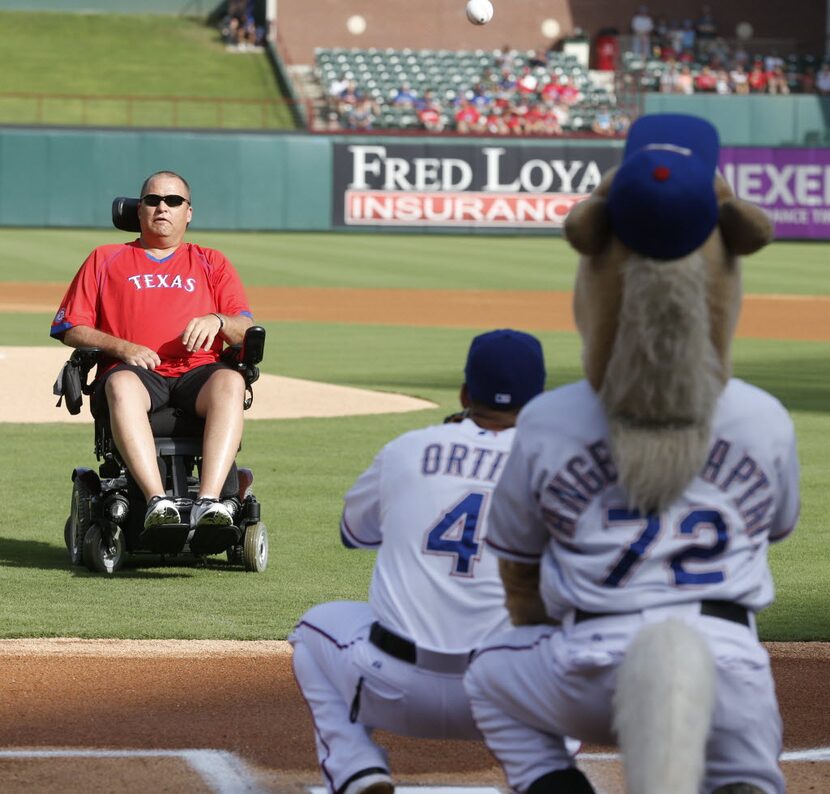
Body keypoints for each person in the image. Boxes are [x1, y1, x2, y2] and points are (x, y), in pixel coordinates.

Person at [463, 114, 798, 794]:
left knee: (491, 674)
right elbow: (779, 525)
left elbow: (518, 564)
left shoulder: (550, 419)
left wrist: (542, 624)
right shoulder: (764, 417)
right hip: (728, 664)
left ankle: (549, 782)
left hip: (588, 668)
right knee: (749, 768)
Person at [289, 330, 548, 794]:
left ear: (466, 393)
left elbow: (355, 533)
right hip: (507, 697)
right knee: (572, 644)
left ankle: (355, 766)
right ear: (541, 400)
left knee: (312, 630)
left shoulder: (408, 449)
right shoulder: (557, 467)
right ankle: (543, 774)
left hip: (392, 686)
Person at [50, 171, 254, 531]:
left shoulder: (211, 262)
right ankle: (157, 502)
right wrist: (121, 346)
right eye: (153, 200)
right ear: (138, 209)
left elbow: (246, 331)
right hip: (136, 374)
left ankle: (209, 504)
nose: (163, 207)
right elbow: (71, 327)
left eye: (173, 201)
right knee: (120, 385)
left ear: (188, 212)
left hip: (198, 373)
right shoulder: (105, 258)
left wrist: (217, 320)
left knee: (231, 383)